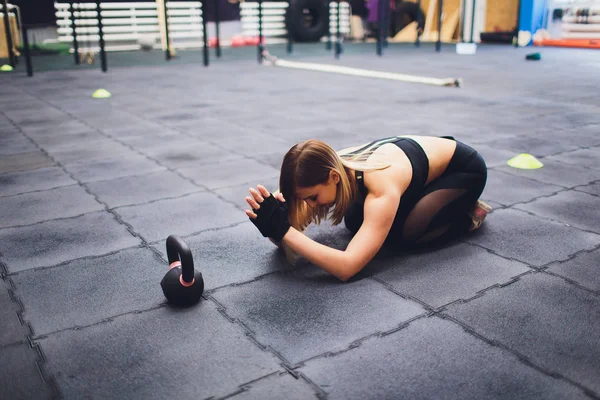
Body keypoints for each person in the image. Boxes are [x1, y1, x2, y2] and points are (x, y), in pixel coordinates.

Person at [245, 135, 490, 281]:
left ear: (334, 177)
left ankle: (468, 213)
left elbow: (347, 267)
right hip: (413, 176)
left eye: (312, 198)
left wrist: (284, 231)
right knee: (355, 221)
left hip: (462, 170)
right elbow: (291, 236)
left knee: (406, 234)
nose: (310, 206)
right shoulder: (327, 171)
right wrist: (274, 227)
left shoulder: (380, 181)